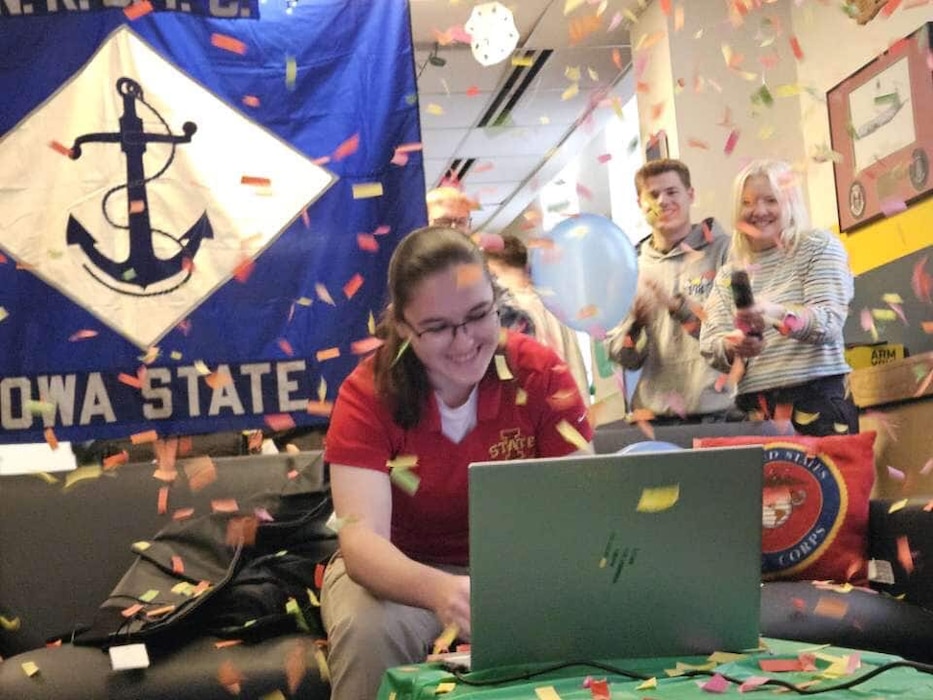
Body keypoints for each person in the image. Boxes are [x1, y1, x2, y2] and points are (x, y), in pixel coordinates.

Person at [320, 226, 593, 698]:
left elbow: (581, 507)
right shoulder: (366, 393)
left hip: (518, 567)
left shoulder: (540, 373)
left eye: (478, 315)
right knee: (369, 632)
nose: (465, 341)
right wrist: (444, 593)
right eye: (439, 327)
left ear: (495, 301)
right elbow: (361, 543)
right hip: (399, 572)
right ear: (404, 328)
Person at [699, 159, 858, 436]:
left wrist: (775, 314)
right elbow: (710, 343)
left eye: (770, 200)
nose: (759, 211)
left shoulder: (818, 247)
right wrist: (735, 344)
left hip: (819, 401)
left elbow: (829, 321)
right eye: (747, 202)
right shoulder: (729, 274)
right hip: (755, 410)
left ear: (790, 203)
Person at [605, 158, 736, 421]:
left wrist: (680, 309)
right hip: (656, 418)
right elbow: (623, 357)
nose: (662, 201)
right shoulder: (630, 268)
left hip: (721, 412)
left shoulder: (726, 252)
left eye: (672, 192)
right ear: (640, 204)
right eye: (653, 195)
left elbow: (735, 338)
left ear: (690, 195)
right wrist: (635, 324)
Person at [483, 234, 591, 403]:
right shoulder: (554, 302)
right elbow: (574, 358)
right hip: (568, 399)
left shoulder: (505, 312)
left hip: (534, 408)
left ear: (492, 269)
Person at [426, 184, 535, 336]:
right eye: (443, 222)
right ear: (423, 224)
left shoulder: (483, 280)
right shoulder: (407, 278)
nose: (452, 229)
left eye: (460, 222)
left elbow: (519, 326)